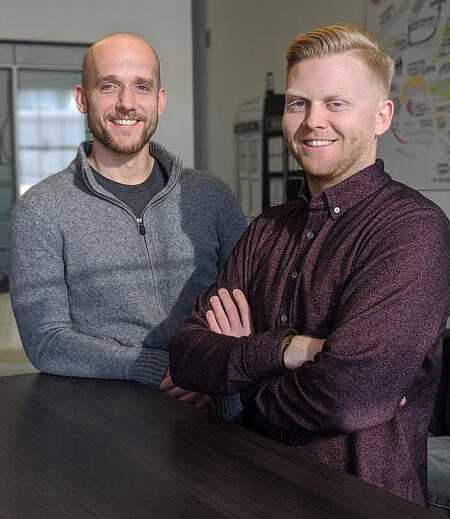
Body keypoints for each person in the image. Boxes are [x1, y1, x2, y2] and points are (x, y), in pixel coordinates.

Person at [169, 24, 450, 505]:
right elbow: (188, 354)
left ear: (382, 116)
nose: (312, 121)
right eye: (298, 103)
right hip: (248, 489)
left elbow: (348, 395)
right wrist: (289, 350)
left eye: (336, 103)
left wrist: (234, 389)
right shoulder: (266, 229)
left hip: (359, 503)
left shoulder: (412, 231)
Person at [9, 33, 247, 415]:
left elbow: (250, 299)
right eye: (108, 86)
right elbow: (46, 340)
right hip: (115, 426)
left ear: (160, 100)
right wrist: (157, 369)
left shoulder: (211, 195)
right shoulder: (40, 209)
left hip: (223, 414)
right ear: (81, 99)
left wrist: (214, 366)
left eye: (141, 87)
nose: (126, 103)